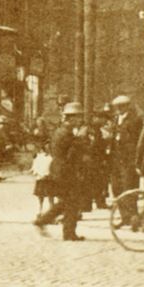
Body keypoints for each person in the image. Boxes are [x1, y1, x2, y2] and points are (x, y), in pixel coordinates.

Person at [34, 102, 87, 241]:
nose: (80, 120)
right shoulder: (68, 133)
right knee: (71, 202)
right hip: (66, 171)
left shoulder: (60, 131)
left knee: (67, 202)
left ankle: (63, 230)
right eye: (78, 117)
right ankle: (65, 231)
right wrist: (80, 139)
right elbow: (71, 154)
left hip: (59, 169)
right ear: (71, 118)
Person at [109, 94, 142, 224]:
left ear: (128, 106)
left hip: (128, 160)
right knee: (117, 188)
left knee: (129, 187)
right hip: (116, 159)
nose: (119, 109)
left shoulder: (136, 120)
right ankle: (124, 216)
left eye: (121, 106)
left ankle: (133, 216)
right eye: (117, 107)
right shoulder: (116, 119)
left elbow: (137, 141)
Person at [30, 143, 53, 220]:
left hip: (49, 180)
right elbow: (34, 168)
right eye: (46, 149)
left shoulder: (51, 158)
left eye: (49, 149)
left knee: (50, 197)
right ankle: (39, 211)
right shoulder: (38, 158)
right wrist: (37, 173)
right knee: (40, 197)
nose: (47, 150)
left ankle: (51, 213)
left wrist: (48, 175)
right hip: (40, 179)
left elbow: (53, 169)